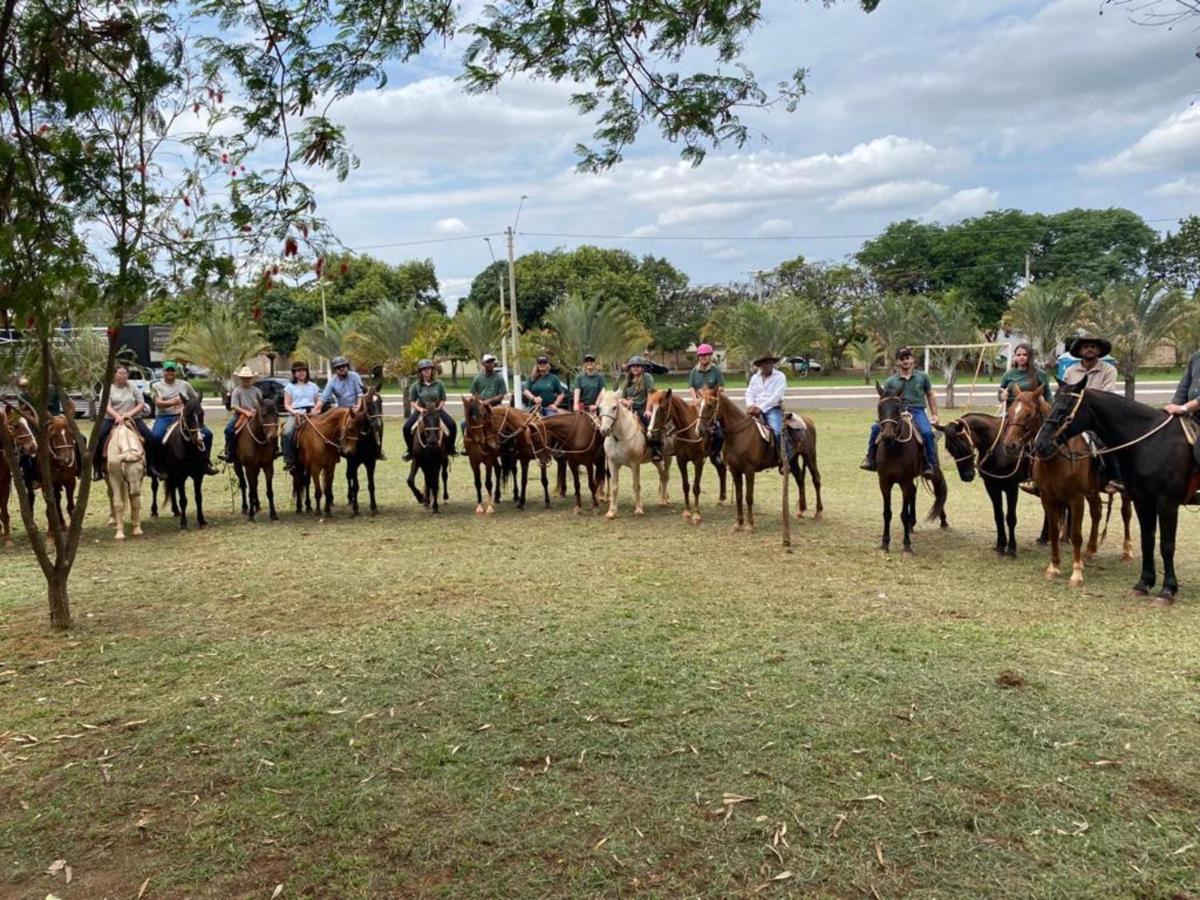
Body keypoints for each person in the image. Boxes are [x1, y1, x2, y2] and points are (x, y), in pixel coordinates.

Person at [861, 346, 939, 477]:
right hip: (897, 412)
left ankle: (929, 465)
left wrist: (935, 414)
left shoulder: (922, 377)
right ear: (897, 362)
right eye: (902, 359)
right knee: (875, 429)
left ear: (913, 360)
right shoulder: (891, 381)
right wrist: (883, 417)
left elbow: (930, 395)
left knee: (927, 433)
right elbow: (885, 401)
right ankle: (870, 459)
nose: (906, 361)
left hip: (917, 411)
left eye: (908, 358)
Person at [1061, 334, 1122, 493]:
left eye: (1093, 346)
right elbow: (1065, 394)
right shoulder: (1070, 370)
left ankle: (1114, 478)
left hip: (1098, 416)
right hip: (1074, 417)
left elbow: (1107, 394)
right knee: (1051, 437)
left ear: (1099, 350)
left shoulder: (1108, 370)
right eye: (1086, 347)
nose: (1089, 349)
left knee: (1110, 441)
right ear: (1080, 351)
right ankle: (1041, 479)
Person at [151, 360, 218, 475]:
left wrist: (193, 407)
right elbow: (158, 403)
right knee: (156, 437)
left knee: (207, 434)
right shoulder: (156, 386)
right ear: (163, 372)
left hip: (185, 417)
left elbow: (195, 399)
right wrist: (174, 402)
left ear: (176, 372)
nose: (170, 372)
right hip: (165, 416)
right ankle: (158, 466)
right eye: (168, 370)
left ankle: (205, 462)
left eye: (172, 370)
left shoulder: (184, 384)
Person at [91, 364, 155, 482]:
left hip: (133, 418)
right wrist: (117, 416)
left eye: (125, 373)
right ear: (114, 375)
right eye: (120, 373)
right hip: (111, 418)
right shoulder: (107, 389)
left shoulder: (133, 387)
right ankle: (97, 468)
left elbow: (141, 403)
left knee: (151, 437)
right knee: (97, 438)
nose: (123, 375)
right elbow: (106, 406)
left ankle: (152, 466)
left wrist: (128, 415)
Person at [403, 359, 457, 459]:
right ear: (420, 372)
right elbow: (412, 401)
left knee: (452, 425)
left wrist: (439, 407)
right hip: (422, 409)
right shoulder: (416, 385)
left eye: (428, 368)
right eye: (423, 369)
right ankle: (410, 450)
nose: (426, 371)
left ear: (432, 370)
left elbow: (443, 398)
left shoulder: (439, 384)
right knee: (406, 427)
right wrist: (420, 409)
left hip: (437, 409)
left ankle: (451, 448)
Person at [745, 353, 789, 472]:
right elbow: (750, 393)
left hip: (772, 408)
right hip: (755, 409)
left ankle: (783, 459)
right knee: (742, 428)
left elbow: (777, 396)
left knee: (778, 431)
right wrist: (750, 405)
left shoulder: (780, 376)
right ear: (760, 365)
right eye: (766, 363)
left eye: (770, 363)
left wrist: (761, 408)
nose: (768, 365)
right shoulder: (755, 378)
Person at [219, 367, 264, 463]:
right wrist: (245, 412)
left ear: (251, 379)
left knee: (268, 428)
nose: (246, 380)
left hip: (255, 415)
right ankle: (229, 453)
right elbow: (234, 406)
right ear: (240, 379)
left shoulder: (256, 391)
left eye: (248, 378)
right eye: (244, 378)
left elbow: (261, 404)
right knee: (228, 430)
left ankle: (273, 450)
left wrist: (255, 411)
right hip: (239, 415)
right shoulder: (237, 391)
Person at [689, 343, 724, 464]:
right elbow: (691, 387)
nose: (703, 357)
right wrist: (694, 399)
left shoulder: (716, 370)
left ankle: (716, 453)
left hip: (711, 404)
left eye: (705, 355)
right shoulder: (694, 371)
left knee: (719, 432)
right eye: (701, 355)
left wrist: (709, 394)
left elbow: (721, 388)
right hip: (699, 403)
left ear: (710, 356)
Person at [282, 360, 319, 473]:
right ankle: (289, 460)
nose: (301, 373)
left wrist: (315, 410)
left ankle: (333, 455)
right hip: (296, 413)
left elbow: (318, 402)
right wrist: (295, 412)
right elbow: (287, 404)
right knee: (287, 432)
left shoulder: (313, 386)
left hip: (311, 413)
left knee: (328, 430)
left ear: (307, 372)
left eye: (303, 370)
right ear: (294, 373)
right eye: (298, 371)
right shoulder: (289, 387)